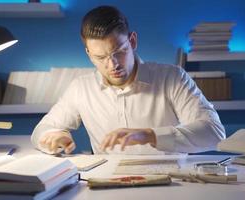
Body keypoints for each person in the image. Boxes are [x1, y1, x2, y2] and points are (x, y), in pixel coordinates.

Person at [31, 5, 225, 155]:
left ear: (132, 41)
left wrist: (150, 135)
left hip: (169, 183)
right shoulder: (81, 88)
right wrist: (53, 136)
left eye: (119, 52)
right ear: (89, 54)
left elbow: (214, 133)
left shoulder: (172, 77)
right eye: (100, 58)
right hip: (105, 186)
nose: (112, 64)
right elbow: (41, 131)